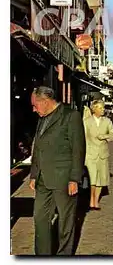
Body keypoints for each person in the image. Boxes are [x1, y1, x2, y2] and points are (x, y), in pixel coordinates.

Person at [29, 86, 85, 256]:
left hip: (64, 178)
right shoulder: (42, 118)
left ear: (45, 101)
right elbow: (38, 147)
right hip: (42, 179)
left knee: (65, 223)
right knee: (40, 219)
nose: (33, 109)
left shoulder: (70, 116)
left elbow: (78, 149)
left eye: (35, 105)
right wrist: (33, 174)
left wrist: (75, 178)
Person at [84, 100, 113, 211]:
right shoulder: (86, 122)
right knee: (92, 178)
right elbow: (82, 138)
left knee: (100, 180)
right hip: (90, 154)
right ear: (94, 109)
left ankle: (96, 201)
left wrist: (104, 136)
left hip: (103, 154)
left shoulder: (107, 121)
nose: (103, 109)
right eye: (100, 108)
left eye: (103, 108)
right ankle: (91, 200)